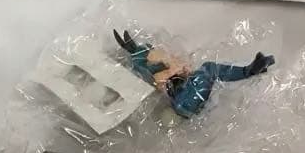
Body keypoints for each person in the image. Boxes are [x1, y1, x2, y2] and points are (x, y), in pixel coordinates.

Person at [114, 29, 275, 118]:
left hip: (188, 93)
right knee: (209, 69)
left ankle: (249, 70)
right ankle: (248, 71)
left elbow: (184, 70)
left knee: (207, 68)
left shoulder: (162, 60)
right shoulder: (151, 72)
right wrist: (172, 68)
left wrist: (181, 67)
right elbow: (159, 83)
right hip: (182, 103)